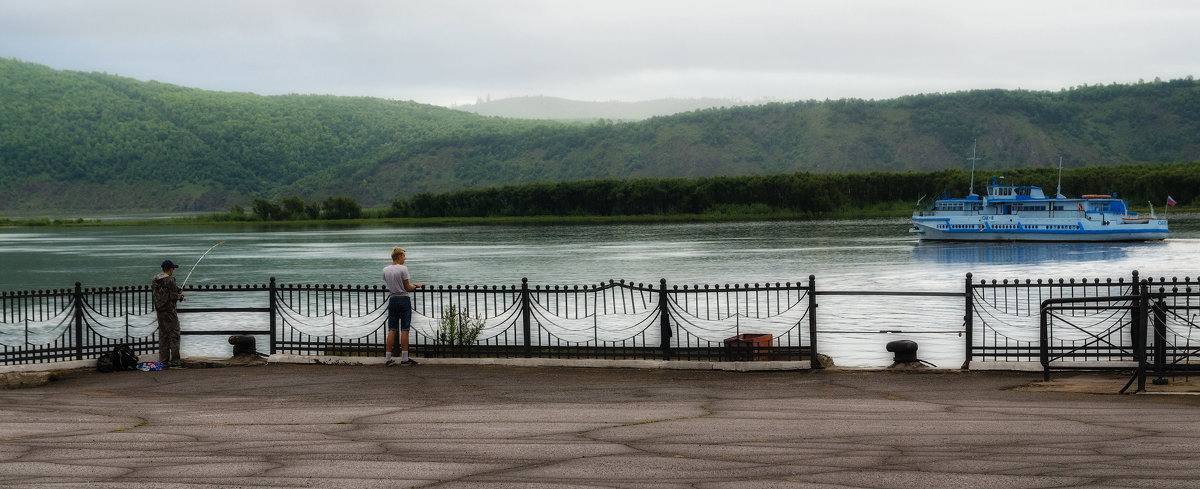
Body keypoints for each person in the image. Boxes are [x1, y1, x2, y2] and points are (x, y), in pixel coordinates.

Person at [383, 247, 424, 366]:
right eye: (404, 256)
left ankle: (388, 359)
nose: (405, 258)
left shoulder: (385, 270)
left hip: (392, 300)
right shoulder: (403, 269)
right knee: (405, 330)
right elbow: (407, 287)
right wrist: (417, 285)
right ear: (399, 256)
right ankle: (405, 359)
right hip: (403, 300)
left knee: (391, 330)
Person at [152, 259, 184, 367]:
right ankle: (175, 361)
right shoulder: (170, 280)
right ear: (170, 269)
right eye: (173, 269)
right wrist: (180, 296)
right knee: (174, 334)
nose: (173, 271)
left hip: (160, 311)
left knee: (163, 335)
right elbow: (174, 297)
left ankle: (163, 360)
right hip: (169, 312)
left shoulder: (155, 279)